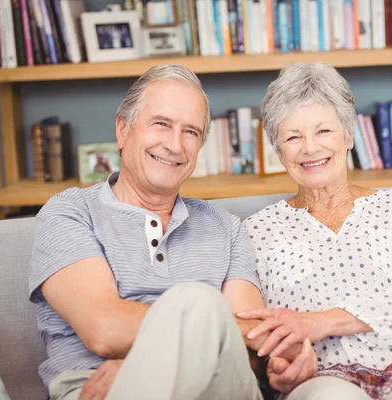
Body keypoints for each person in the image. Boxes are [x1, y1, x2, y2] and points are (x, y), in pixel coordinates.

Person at [28, 64, 316, 400]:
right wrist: (213, 333)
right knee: (196, 302)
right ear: (123, 129)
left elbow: (250, 356)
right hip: (102, 391)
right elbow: (104, 330)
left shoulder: (226, 227)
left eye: (191, 132)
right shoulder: (70, 213)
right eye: (161, 124)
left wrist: (157, 367)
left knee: (198, 305)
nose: (175, 145)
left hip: (212, 390)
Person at [238, 62, 392, 400]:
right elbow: (256, 331)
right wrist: (275, 371)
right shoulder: (256, 231)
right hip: (322, 376)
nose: (310, 148)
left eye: (323, 131)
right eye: (293, 137)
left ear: (348, 135)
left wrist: (319, 323)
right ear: (278, 150)